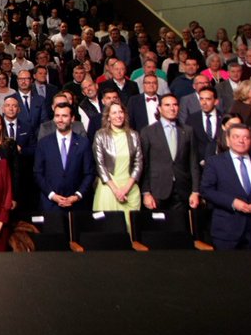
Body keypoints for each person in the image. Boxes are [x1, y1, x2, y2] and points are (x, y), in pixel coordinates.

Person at [200, 123, 251, 250]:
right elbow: (206, 190)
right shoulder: (215, 162)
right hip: (227, 231)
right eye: (236, 137)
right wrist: (232, 202)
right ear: (228, 140)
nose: (241, 141)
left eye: (246, 137)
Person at [139, 94, 200, 214]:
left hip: (182, 189)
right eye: (167, 105)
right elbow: (144, 165)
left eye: (175, 105)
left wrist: (195, 191)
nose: (172, 108)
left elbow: (193, 163)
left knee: (181, 228)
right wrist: (146, 193)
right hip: (157, 189)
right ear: (160, 109)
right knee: (160, 230)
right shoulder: (148, 132)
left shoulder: (188, 131)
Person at [33, 99, 95, 212]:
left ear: (72, 119)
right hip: (50, 205)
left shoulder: (83, 143)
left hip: (77, 205)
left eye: (64, 116)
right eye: (57, 116)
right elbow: (38, 173)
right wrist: (52, 195)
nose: (60, 120)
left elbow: (89, 173)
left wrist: (77, 196)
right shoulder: (43, 143)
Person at [91, 101, 142, 232]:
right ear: (108, 117)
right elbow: (100, 165)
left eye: (120, 112)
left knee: (131, 232)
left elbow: (138, 163)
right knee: (109, 231)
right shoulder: (100, 135)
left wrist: (125, 189)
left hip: (129, 189)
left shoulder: (134, 135)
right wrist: (116, 190)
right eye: (114, 113)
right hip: (108, 188)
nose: (118, 116)